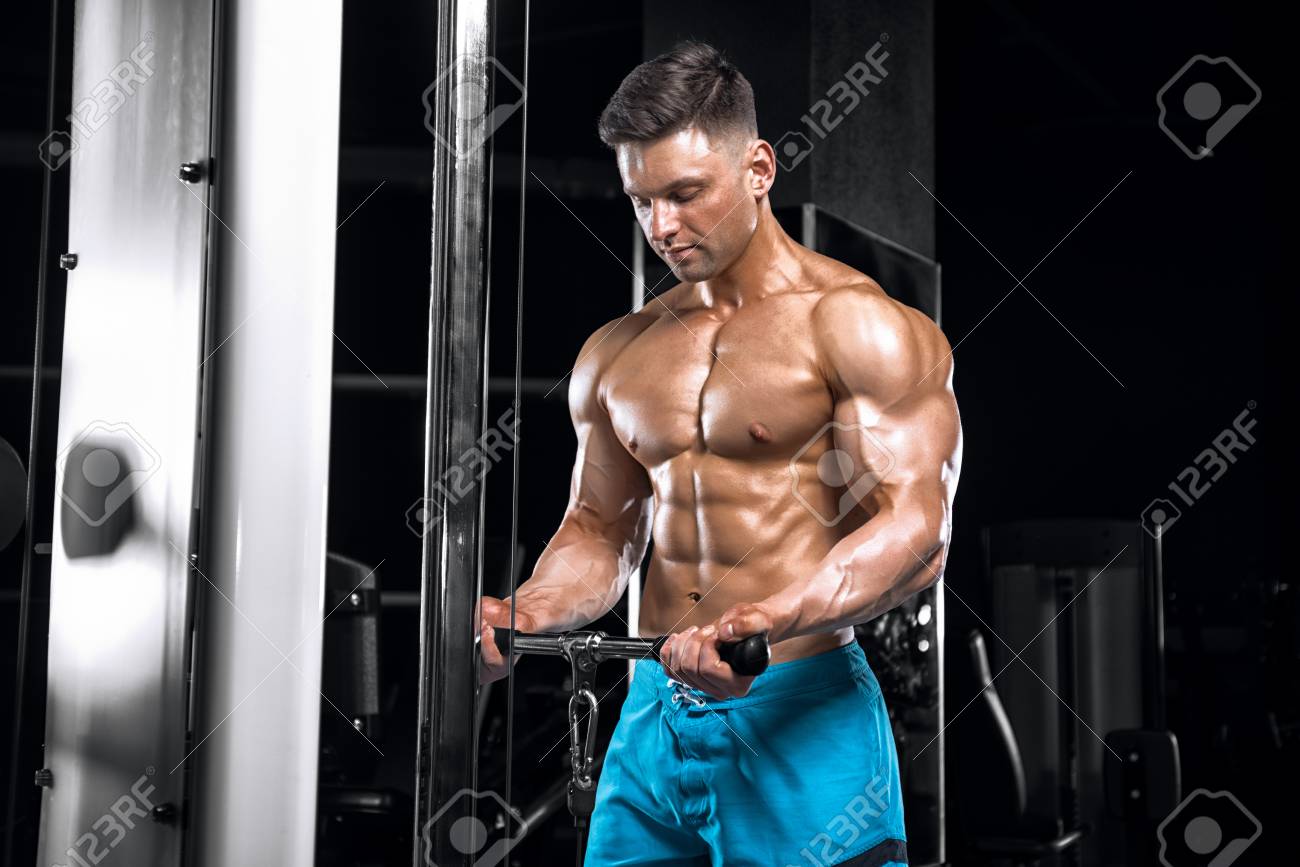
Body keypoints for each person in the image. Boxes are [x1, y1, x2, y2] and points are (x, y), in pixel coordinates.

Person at [478, 40, 961, 867]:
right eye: (642, 201)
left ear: (759, 168)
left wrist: (771, 619)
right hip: (651, 721)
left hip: (799, 712)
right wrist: (529, 609)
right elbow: (599, 530)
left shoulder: (856, 325)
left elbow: (918, 530)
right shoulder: (618, 352)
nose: (662, 226)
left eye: (685, 193)